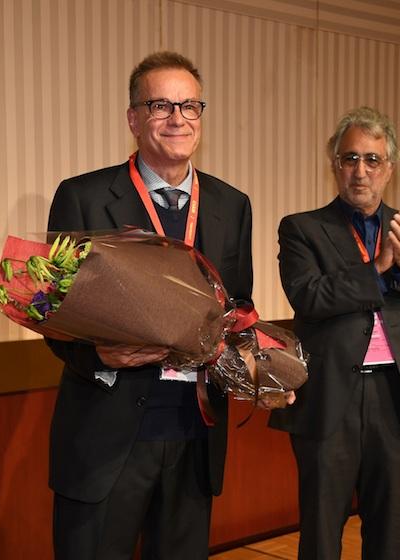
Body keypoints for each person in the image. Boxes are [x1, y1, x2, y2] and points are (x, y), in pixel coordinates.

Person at [45, 51, 262, 559]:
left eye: (189, 106)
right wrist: (98, 356)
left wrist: (258, 363)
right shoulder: (84, 196)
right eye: (160, 104)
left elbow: (241, 305)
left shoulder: (233, 205)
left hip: (195, 431)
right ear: (134, 118)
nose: (177, 118)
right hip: (108, 433)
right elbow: (51, 312)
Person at [269, 106, 400, 559]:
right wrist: (377, 268)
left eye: (372, 160)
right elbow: (310, 297)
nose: (361, 171)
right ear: (334, 165)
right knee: (320, 533)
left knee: (388, 532)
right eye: (349, 158)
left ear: (389, 168)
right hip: (330, 397)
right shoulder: (303, 229)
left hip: (398, 399)